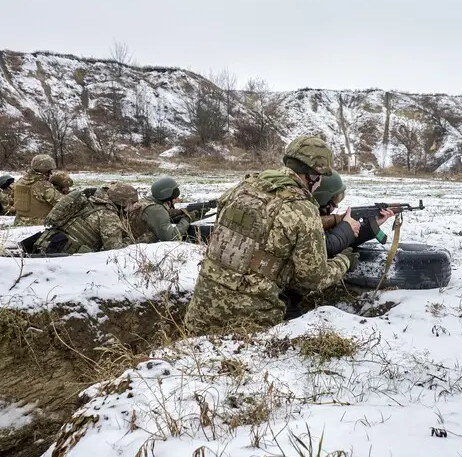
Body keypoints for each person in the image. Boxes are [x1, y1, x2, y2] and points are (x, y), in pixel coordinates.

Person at [183, 135, 355, 335]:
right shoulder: (302, 209)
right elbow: (312, 280)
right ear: (315, 175)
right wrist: (344, 261)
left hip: (199, 315)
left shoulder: (242, 188)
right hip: (249, 327)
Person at [32, 183, 139, 254]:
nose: (133, 206)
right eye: (132, 203)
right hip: (63, 254)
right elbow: (114, 249)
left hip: (46, 242)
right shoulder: (108, 215)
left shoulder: (90, 200)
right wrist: (133, 240)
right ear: (124, 202)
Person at [313, 171, 394, 257]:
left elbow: (344, 241)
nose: (336, 206)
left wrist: (372, 225)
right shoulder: (309, 223)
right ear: (323, 199)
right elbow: (327, 247)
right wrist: (346, 226)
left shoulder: (317, 219)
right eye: (335, 202)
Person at [127, 176, 204, 243]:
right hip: (135, 246)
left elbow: (165, 216)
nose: (177, 198)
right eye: (175, 194)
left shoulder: (147, 201)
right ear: (166, 195)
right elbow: (172, 237)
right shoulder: (157, 210)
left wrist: (184, 213)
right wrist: (187, 218)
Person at [12, 154, 64, 226]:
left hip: (19, 222)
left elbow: (12, 200)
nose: (51, 173)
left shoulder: (20, 181)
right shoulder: (42, 185)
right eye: (49, 171)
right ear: (45, 170)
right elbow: (62, 203)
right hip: (38, 225)